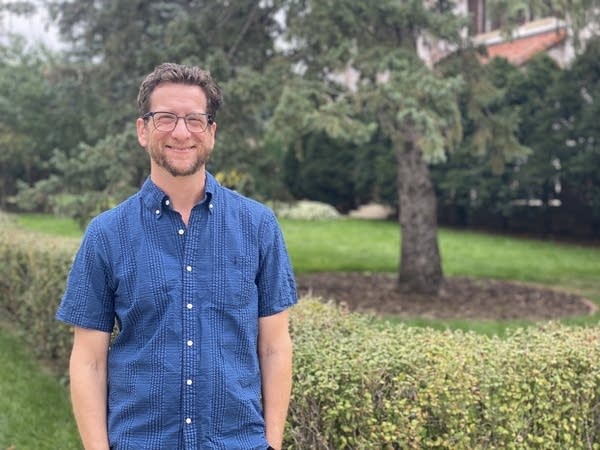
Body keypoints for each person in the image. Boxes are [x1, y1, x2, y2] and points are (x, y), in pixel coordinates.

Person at [56, 62, 297, 450]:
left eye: (195, 120)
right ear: (143, 130)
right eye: (165, 118)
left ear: (211, 133)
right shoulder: (106, 234)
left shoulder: (258, 226)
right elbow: (88, 360)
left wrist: (272, 443)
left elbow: (274, 346)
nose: (181, 132)